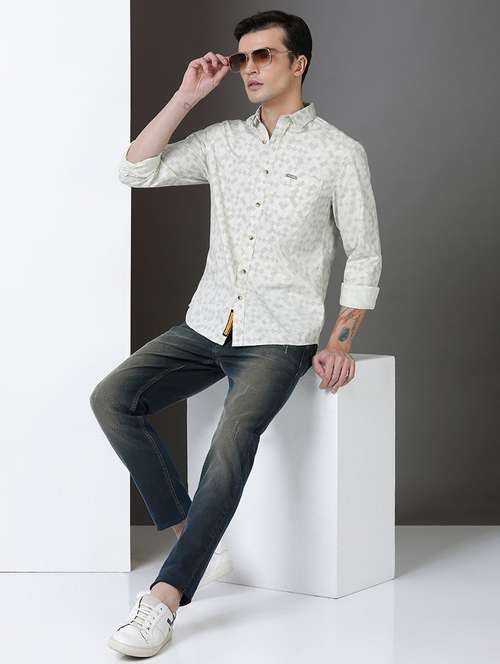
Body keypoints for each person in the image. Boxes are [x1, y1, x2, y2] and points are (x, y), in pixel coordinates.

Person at [91, 9, 382, 658]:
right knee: (112, 398)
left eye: (263, 56)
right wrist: (186, 96)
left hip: (279, 337)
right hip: (207, 324)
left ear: (298, 64)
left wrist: (339, 339)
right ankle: (189, 530)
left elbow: (364, 255)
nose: (249, 68)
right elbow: (135, 170)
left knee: (230, 442)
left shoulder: (338, 153)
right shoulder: (222, 141)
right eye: (242, 58)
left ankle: (163, 602)